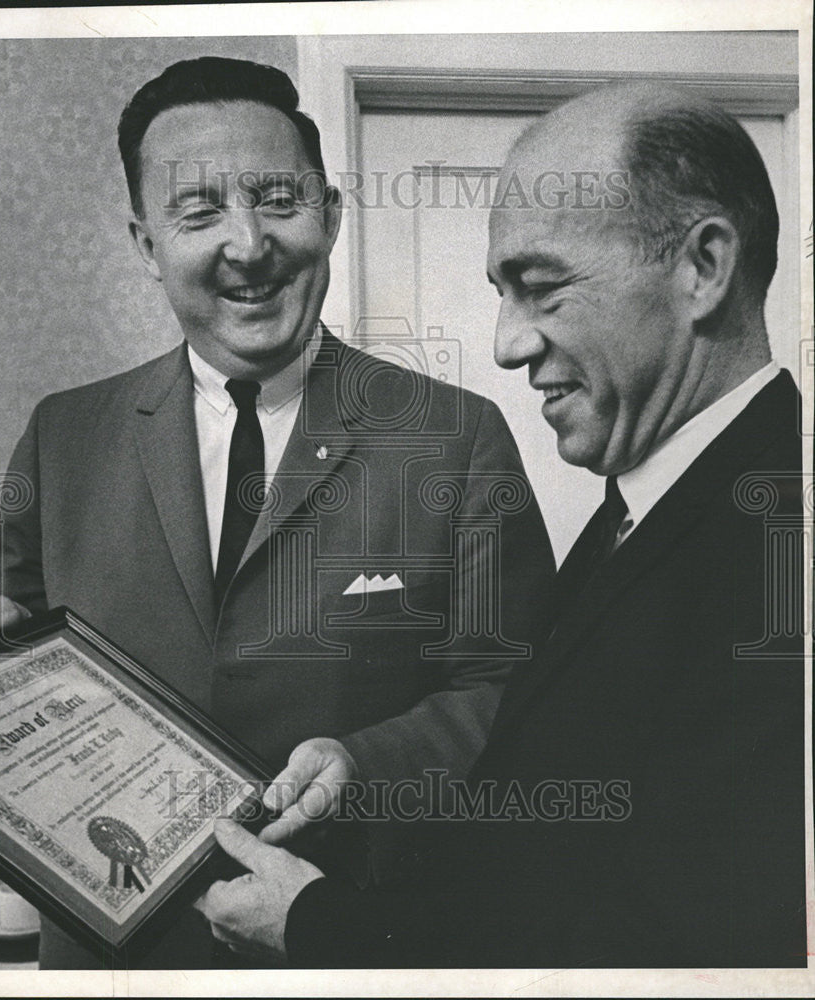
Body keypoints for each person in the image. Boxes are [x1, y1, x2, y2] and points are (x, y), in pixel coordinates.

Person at [194, 82, 808, 968]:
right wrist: (359, 769)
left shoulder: (781, 544)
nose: (506, 345)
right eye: (500, 294)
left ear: (702, 267)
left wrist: (315, 920)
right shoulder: (647, 507)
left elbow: (681, 954)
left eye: (542, 288)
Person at [0, 58, 555, 968]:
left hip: (347, 950)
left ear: (331, 215)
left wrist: (367, 765)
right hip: (113, 965)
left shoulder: (457, 436)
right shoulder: (62, 436)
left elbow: (516, 695)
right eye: (198, 212)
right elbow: (0, 654)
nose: (247, 244)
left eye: (279, 199)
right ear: (145, 242)